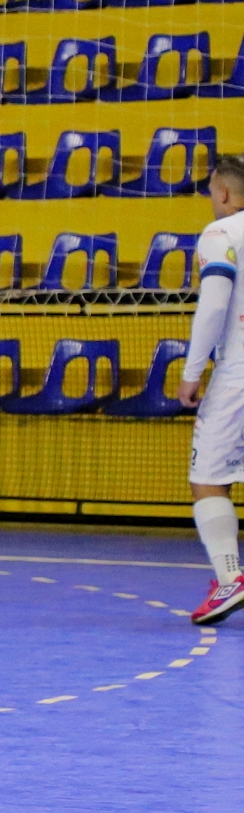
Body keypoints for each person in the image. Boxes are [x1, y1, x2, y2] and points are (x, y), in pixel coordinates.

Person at [173, 153, 244, 626]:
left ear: (223, 193)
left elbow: (215, 304)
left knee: (208, 476)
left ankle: (230, 576)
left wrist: (191, 371)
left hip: (239, 372)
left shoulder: (221, 233)